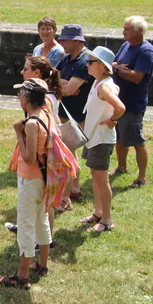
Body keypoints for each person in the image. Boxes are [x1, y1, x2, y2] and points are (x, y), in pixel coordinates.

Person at [0, 78, 54, 290]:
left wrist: (18, 132)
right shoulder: (46, 114)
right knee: (41, 220)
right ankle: (43, 264)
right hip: (44, 178)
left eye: (20, 94)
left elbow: (30, 157)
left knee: (26, 226)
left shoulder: (31, 123)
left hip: (30, 179)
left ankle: (22, 275)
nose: (18, 97)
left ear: (28, 98)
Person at [5, 56, 66, 237]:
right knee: (42, 206)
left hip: (39, 163)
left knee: (43, 208)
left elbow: (48, 131)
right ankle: (44, 241)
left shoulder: (41, 102)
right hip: (42, 160)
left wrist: (21, 133)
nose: (22, 72)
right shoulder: (42, 98)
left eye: (26, 69)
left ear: (37, 73)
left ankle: (39, 242)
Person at [80, 47, 125, 232]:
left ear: (102, 66)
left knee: (102, 180)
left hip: (100, 139)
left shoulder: (104, 86)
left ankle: (106, 220)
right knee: (95, 178)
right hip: (93, 138)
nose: (87, 64)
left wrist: (112, 119)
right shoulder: (100, 82)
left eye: (90, 62)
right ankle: (98, 212)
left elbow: (120, 107)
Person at [112, 16, 153, 189]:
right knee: (120, 137)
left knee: (137, 141)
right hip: (118, 101)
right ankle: (121, 167)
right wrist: (119, 68)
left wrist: (117, 69)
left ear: (139, 31)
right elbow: (115, 63)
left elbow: (136, 77)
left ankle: (142, 177)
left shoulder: (146, 51)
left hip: (133, 103)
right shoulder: (126, 45)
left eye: (128, 29)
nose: (124, 31)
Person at [55, 24, 93, 202]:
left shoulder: (85, 61)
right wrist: (65, 84)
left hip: (81, 116)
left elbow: (70, 90)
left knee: (73, 153)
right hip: (66, 113)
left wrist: (63, 86)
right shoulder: (67, 58)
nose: (61, 41)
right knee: (70, 151)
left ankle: (69, 192)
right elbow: (51, 78)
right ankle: (74, 189)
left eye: (65, 39)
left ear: (76, 41)